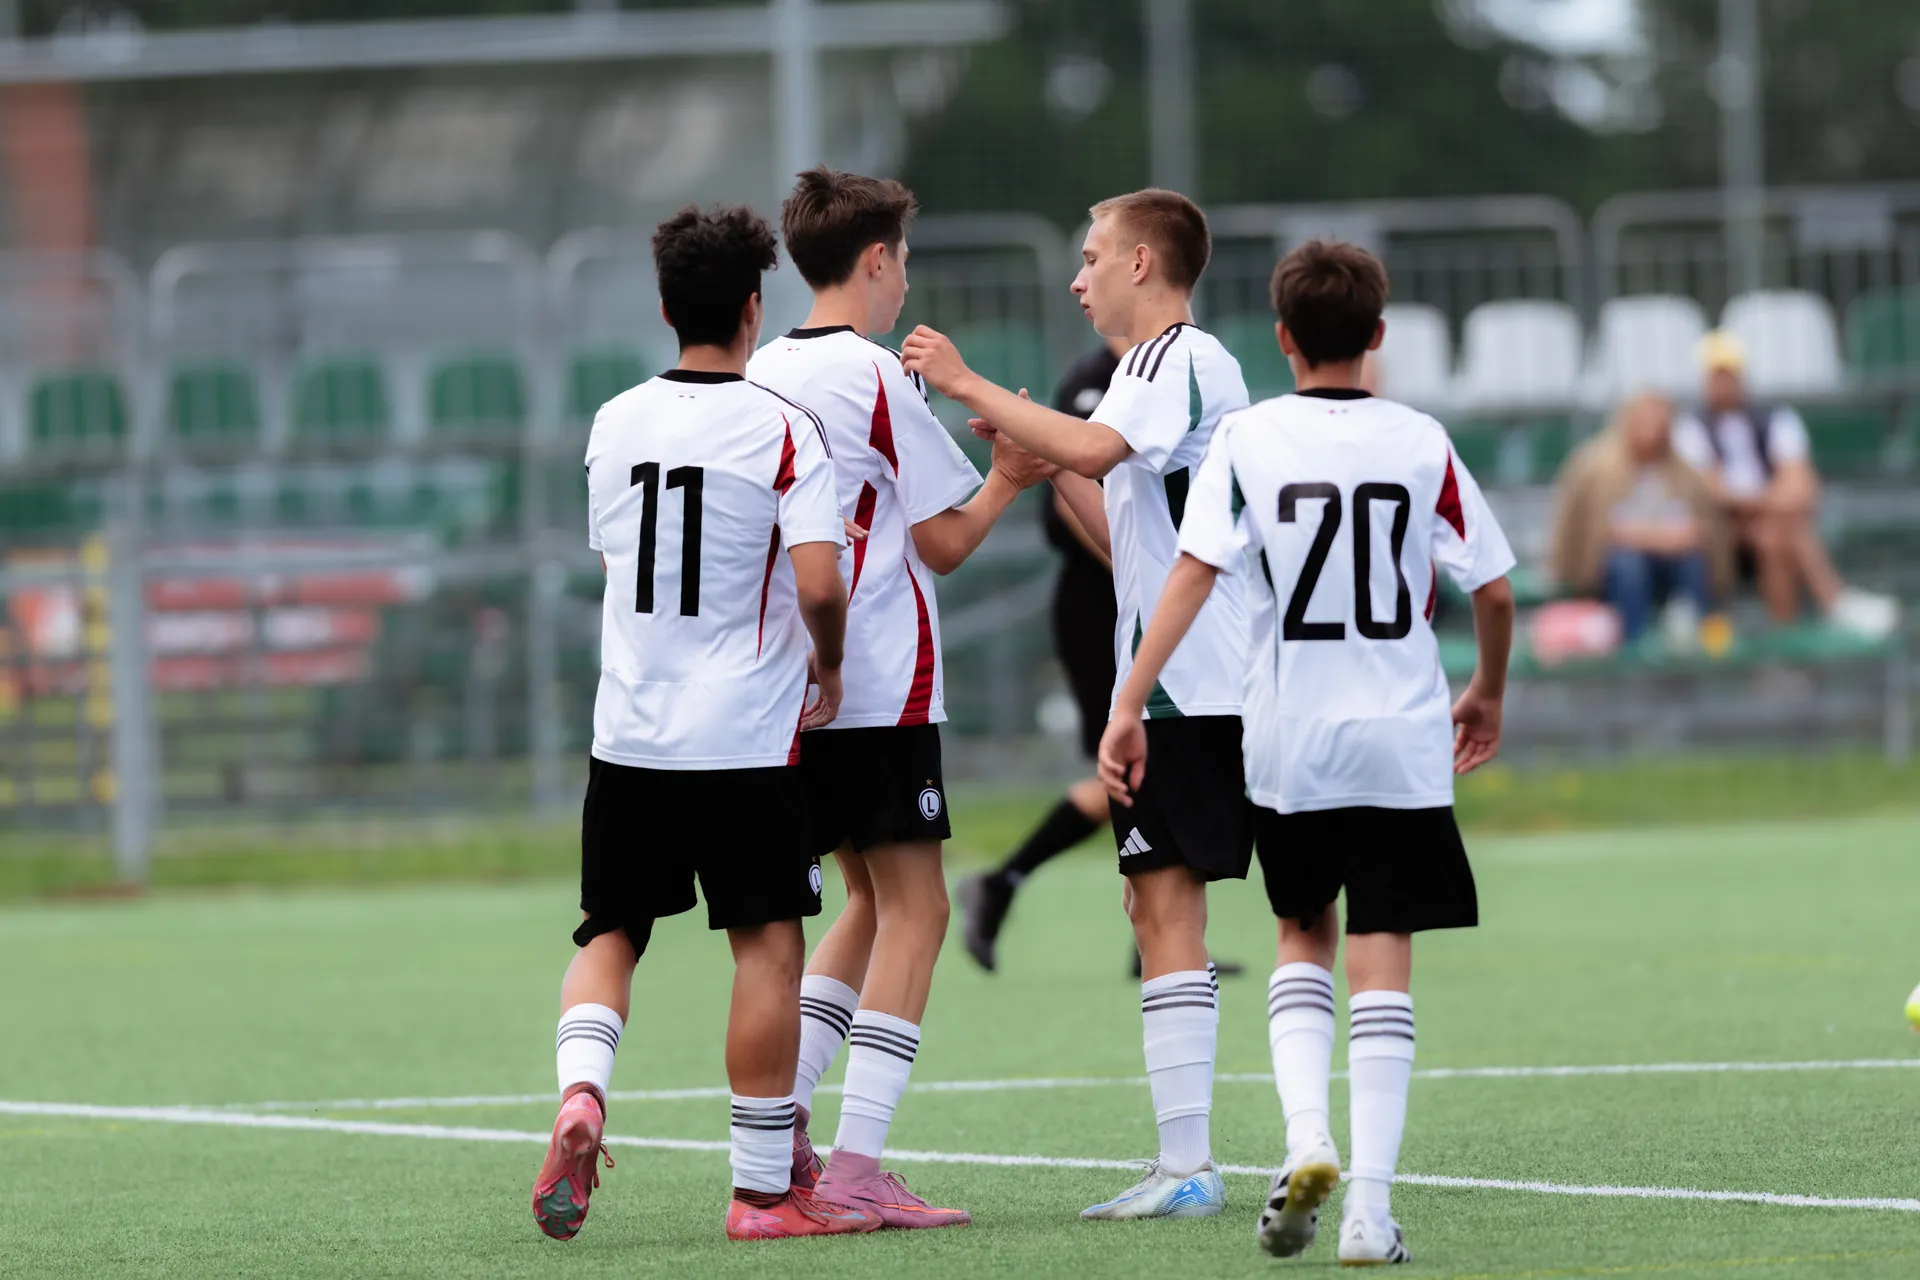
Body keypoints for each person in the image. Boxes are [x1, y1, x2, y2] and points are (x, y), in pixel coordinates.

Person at [1100, 240, 1516, 1266]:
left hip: (1291, 737)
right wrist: (1487, 690)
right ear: (1378, 335)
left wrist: (1130, 700)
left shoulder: (1250, 437)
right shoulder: (1420, 440)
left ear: (1282, 337)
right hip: (1402, 735)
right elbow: (1496, 589)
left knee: (1301, 930)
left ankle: (1304, 1138)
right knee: (1385, 950)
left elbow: (1192, 574)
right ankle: (1368, 1208)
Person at [530, 205, 879, 1243]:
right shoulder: (782, 427)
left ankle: (583, 1090)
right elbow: (819, 583)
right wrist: (826, 657)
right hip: (743, 739)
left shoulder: (614, 420)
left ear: (664, 307)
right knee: (767, 946)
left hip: (630, 733)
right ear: (753, 309)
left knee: (610, 931)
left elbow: (616, 563)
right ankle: (763, 1194)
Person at [904, 188, 1252, 1221]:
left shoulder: (1181, 358)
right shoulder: (1145, 374)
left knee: (1186, 905)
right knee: (1155, 902)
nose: (1078, 277)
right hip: (1183, 683)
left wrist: (965, 379)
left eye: (1094, 256)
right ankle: (1186, 1162)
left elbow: (1099, 452)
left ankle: (1203, 1164)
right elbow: (1120, 534)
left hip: (1202, 686)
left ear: (1143, 262)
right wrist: (1041, 460)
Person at [745, 166, 1054, 1229]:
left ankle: (785, 1123)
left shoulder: (762, 368)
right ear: (876, 259)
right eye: (904, 259)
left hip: (795, 683)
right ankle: (857, 1163)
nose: (905, 279)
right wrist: (1011, 474)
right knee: (918, 906)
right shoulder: (874, 373)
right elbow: (944, 540)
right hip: (879, 677)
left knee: (867, 901)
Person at [1672, 333, 1897, 636]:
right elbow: (1713, 493)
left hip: (1770, 523)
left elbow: (1801, 485)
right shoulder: (1690, 427)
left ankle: (1787, 633)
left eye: (1729, 375)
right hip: (1722, 528)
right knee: (1785, 527)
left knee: (1773, 537)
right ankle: (1832, 603)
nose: (1724, 384)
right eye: (1716, 376)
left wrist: (1759, 503)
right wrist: (1773, 501)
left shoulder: (1776, 417)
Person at [1550, 392, 1730, 643]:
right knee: (1629, 565)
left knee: (1692, 562)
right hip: (1611, 569)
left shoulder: (1684, 471)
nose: (1652, 431)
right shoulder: (1596, 467)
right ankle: (1634, 643)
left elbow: (1698, 529)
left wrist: (1646, 537)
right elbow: (1602, 530)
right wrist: (1661, 538)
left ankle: (1697, 637)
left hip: (1670, 562)